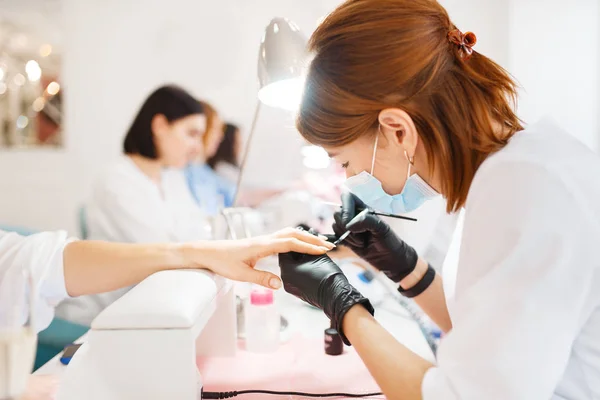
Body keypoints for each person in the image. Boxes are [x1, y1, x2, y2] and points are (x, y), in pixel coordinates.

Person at [278, 1, 600, 399]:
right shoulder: (506, 170)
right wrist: (403, 265)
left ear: (397, 131)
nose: (348, 180)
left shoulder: (529, 190)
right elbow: (487, 335)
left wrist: (342, 307)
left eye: (344, 161)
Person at [56, 85, 215, 325]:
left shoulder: (171, 176)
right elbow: (163, 252)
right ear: (160, 126)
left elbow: (199, 230)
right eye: (191, 133)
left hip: (154, 306)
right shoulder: (116, 180)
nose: (197, 147)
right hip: (101, 317)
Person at [185, 102, 236, 215]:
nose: (220, 136)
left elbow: (236, 194)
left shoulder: (206, 174)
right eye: (216, 129)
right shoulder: (181, 172)